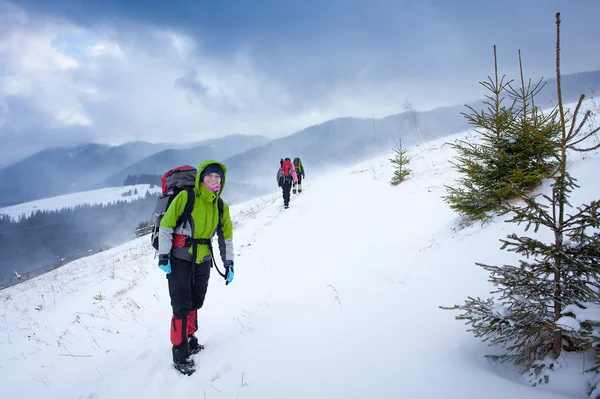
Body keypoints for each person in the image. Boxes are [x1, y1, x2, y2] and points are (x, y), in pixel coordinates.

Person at [157, 160, 234, 375]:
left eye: (217, 177)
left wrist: (229, 263)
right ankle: (179, 353)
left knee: (196, 300)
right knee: (181, 305)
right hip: (180, 257)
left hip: (203, 258)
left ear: (222, 180)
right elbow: (166, 225)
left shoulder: (220, 205)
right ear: (201, 177)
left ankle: (189, 339)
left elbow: (225, 236)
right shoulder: (186, 197)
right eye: (209, 176)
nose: (213, 180)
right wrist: (164, 256)